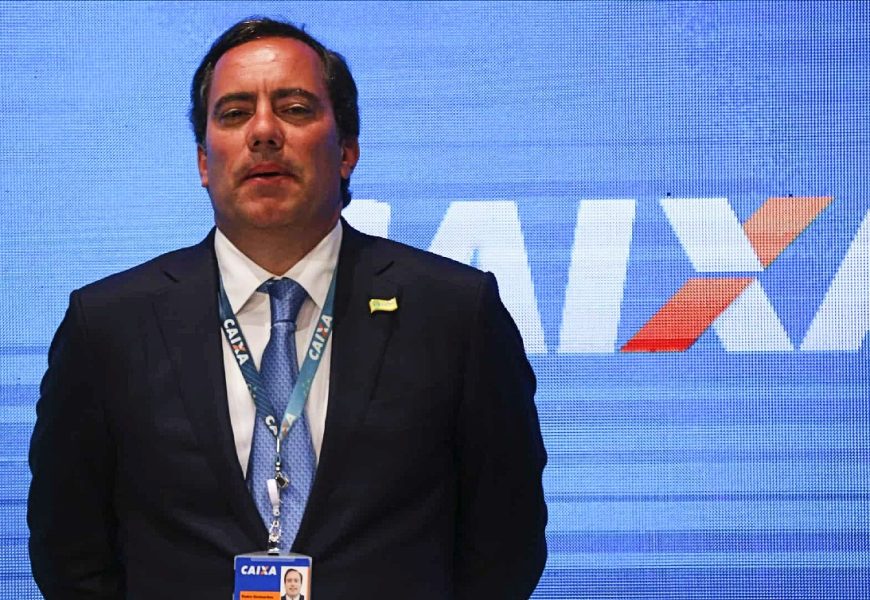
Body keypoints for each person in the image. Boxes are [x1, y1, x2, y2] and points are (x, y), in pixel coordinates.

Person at [28, 17, 547, 599]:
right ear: (203, 162)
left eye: (295, 109)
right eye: (234, 113)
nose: (263, 132)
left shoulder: (454, 312)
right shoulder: (109, 325)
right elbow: (69, 552)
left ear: (347, 150)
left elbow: (506, 544)